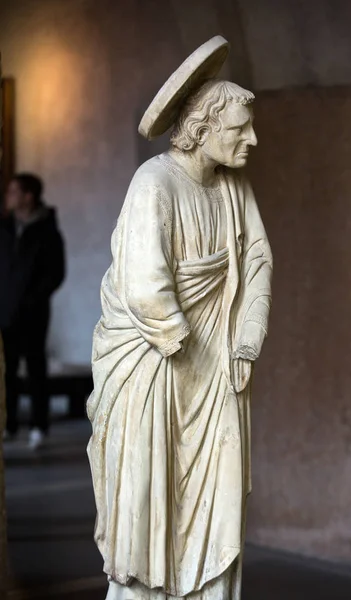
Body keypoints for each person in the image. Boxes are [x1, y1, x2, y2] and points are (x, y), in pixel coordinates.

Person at [87, 37, 272, 600]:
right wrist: (184, 348)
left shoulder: (233, 190)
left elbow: (258, 259)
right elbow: (145, 284)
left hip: (217, 372)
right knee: (148, 499)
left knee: (215, 498)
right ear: (203, 127)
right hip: (157, 373)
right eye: (239, 128)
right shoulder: (155, 184)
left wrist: (244, 340)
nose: (252, 138)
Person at [0, 173, 65, 449]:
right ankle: (9, 423)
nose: (8, 196)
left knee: (35, 367)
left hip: (32, 312)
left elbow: (55, 273)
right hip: (4, 310)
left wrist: (32, 300)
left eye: (14, 191)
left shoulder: (47, 231)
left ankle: (39, 425)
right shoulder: (4, 228)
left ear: (28, 196)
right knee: (7, 369)